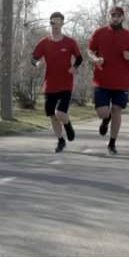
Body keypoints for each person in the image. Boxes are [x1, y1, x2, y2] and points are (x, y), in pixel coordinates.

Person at [86, 6, 129, 155]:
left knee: (117, 110)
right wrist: (95, 59)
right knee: (102, 112)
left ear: (123, 18)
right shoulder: (99, 33)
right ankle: (105, 119)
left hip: (122, 81)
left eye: (118, 15)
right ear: (109, 16)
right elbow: (89, 50)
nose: (115, 18)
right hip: (101, 80)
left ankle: (112, 144)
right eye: (113, 15)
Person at [31, 12, 83, 153]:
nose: (55, 25)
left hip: (65, 84)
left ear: (62, 23)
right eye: (53, 22)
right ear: (50, 23)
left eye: (58, 22)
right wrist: (36, 64)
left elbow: (79, 58)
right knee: (52, 116)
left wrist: (74, 67)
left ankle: (68, 126)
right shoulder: (44, 42)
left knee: (60, 112)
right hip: (50, 85)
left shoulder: (70, 42)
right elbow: (33, 57)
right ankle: (61, 140)